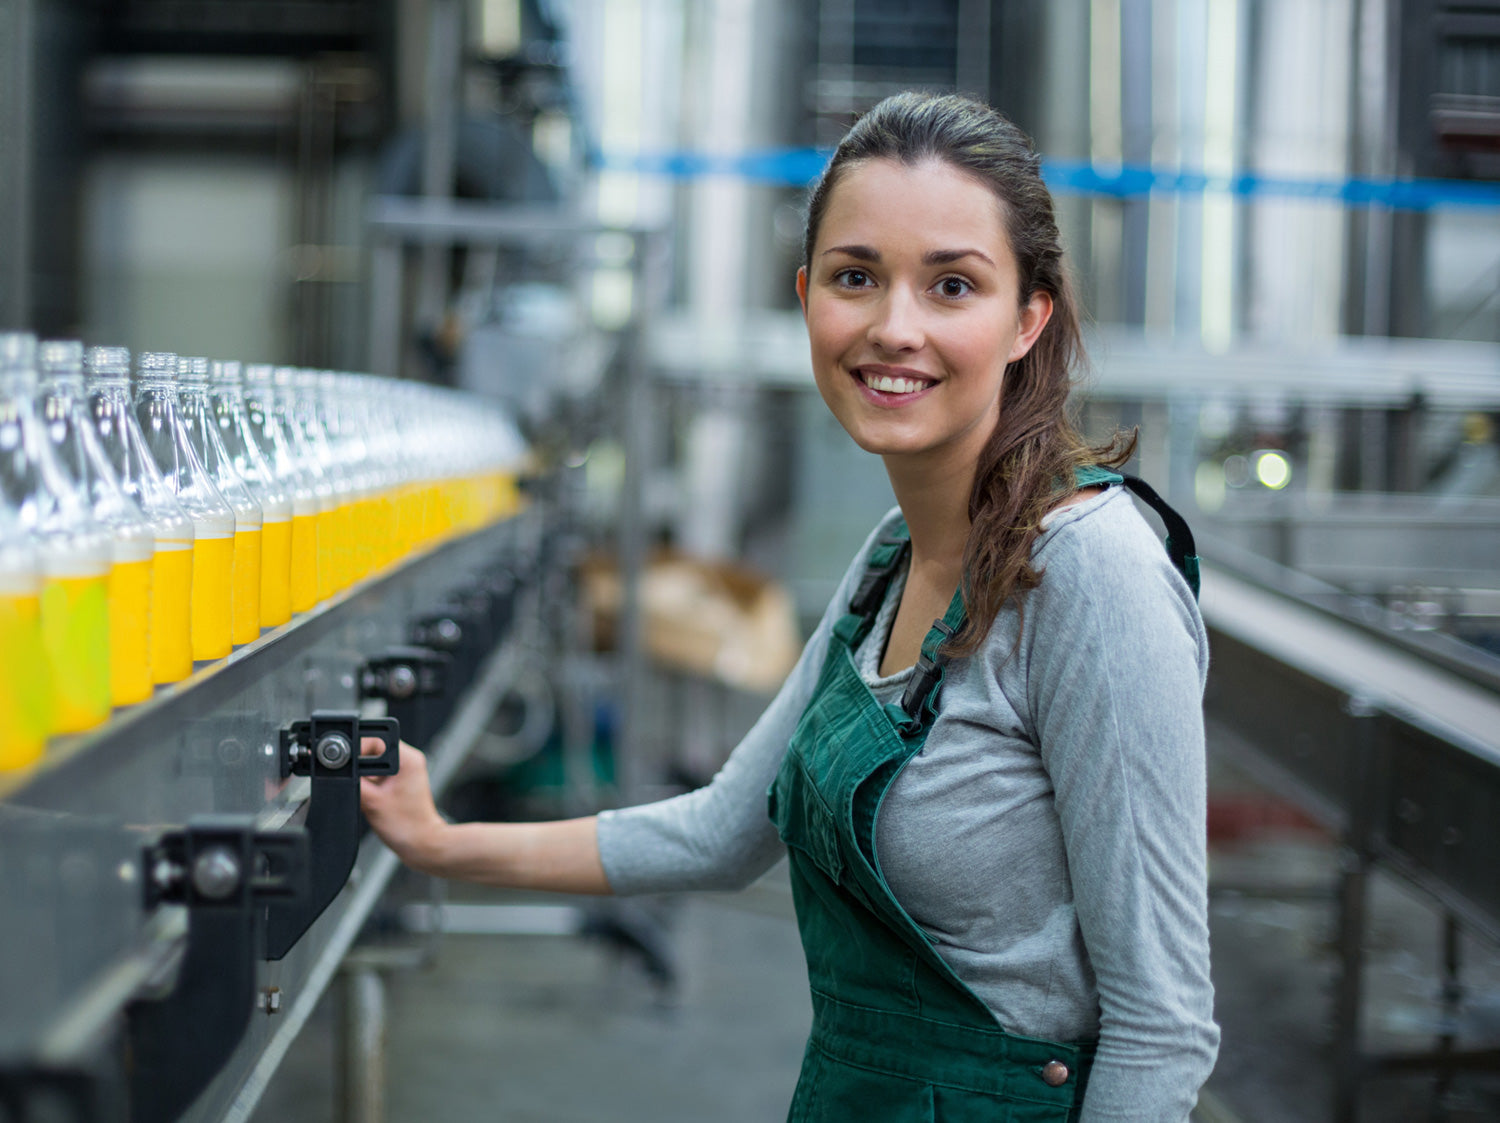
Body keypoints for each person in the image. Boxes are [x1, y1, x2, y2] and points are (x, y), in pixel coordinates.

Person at [360, 91, 1219, 1122]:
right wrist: (440, 841)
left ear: (1027, 319)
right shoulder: (890, 559)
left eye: (952, 285)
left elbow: (1163, 1026)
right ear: (808, 295)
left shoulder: (1091, 571)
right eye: (857, 277)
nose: (894, 328)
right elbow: (722, 831)